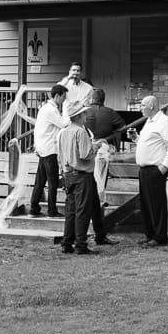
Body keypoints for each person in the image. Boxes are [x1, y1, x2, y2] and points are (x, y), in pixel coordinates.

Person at [73, 89, 127, 242]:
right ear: (104, 99)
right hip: (100, 153)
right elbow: (122, 127)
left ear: (91, 99)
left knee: (92, 198)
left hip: (81, 162)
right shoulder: (109, 112)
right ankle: (88, 236)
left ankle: (94, 234)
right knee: (98, 192)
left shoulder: (83, 114)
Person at [133, 94, 168, 247]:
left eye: (142, 106)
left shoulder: (164, 122)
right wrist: (136, 138)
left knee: (156, 203)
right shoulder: (149, 121)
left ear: (151, 106)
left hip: (155, 168)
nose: (140, 108)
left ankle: (159, 236)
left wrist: (165, 166)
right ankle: (150, 233)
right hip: (144, 168)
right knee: (146, 204)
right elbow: (151, 142)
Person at [55, 116, 100, 254]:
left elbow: (60, 155)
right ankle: (80, 244)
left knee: (71, 210)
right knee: (82, 210)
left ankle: (67, 242)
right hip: (82, 175)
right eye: (84, 113)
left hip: (68, 173)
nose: (86, 116)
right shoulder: (80, 132)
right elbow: (85, 154)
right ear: (79, 116)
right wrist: (96, 147)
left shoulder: (63, 132)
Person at [29, 83, 68, 218]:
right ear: (57, 96)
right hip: (49, 149)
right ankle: (52, 210)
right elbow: (64, 124)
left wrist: (36, 146)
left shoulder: (44, 108)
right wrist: (68, 110)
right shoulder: (51, 110)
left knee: (40, 181)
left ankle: (34, 208)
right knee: (53, 182)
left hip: (42, 148)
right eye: (63, 97)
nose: (64, 100)